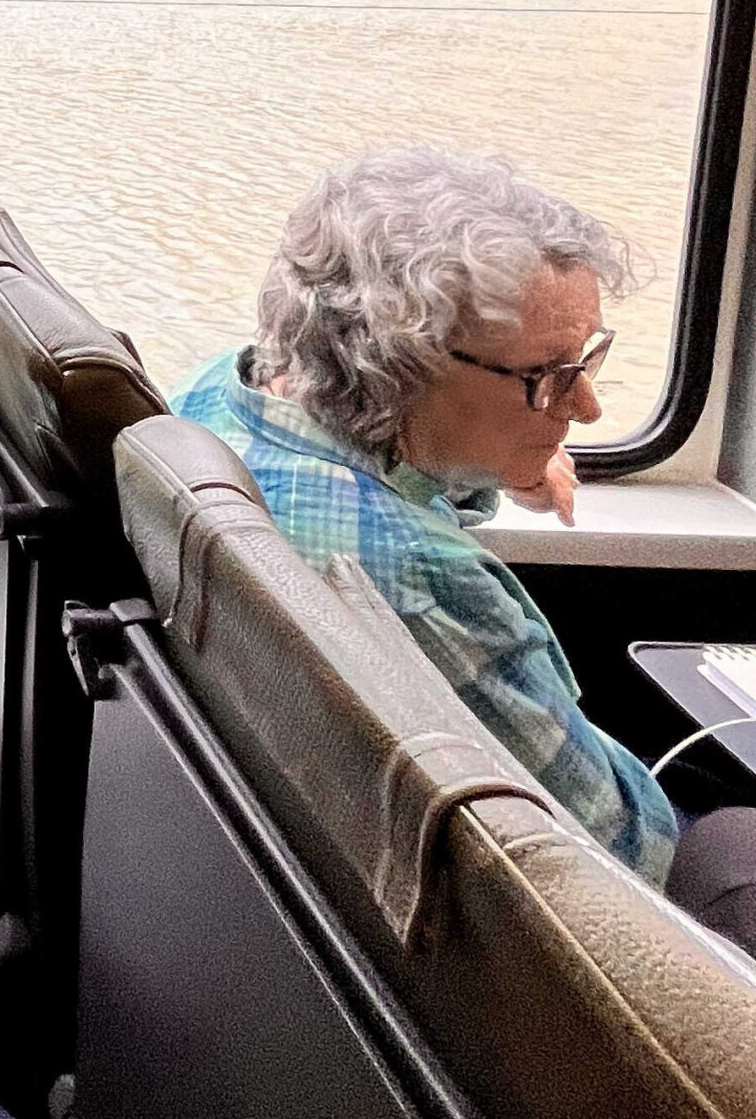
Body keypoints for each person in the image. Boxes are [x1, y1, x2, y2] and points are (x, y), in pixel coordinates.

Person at [174, 146, 756, 948]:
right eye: (551, 377)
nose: (584, 410)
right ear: (399, 367)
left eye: (587, 362)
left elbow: (382, 465)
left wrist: (493, 455)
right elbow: (621, 848)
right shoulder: (416, 579)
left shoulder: (223, 392)